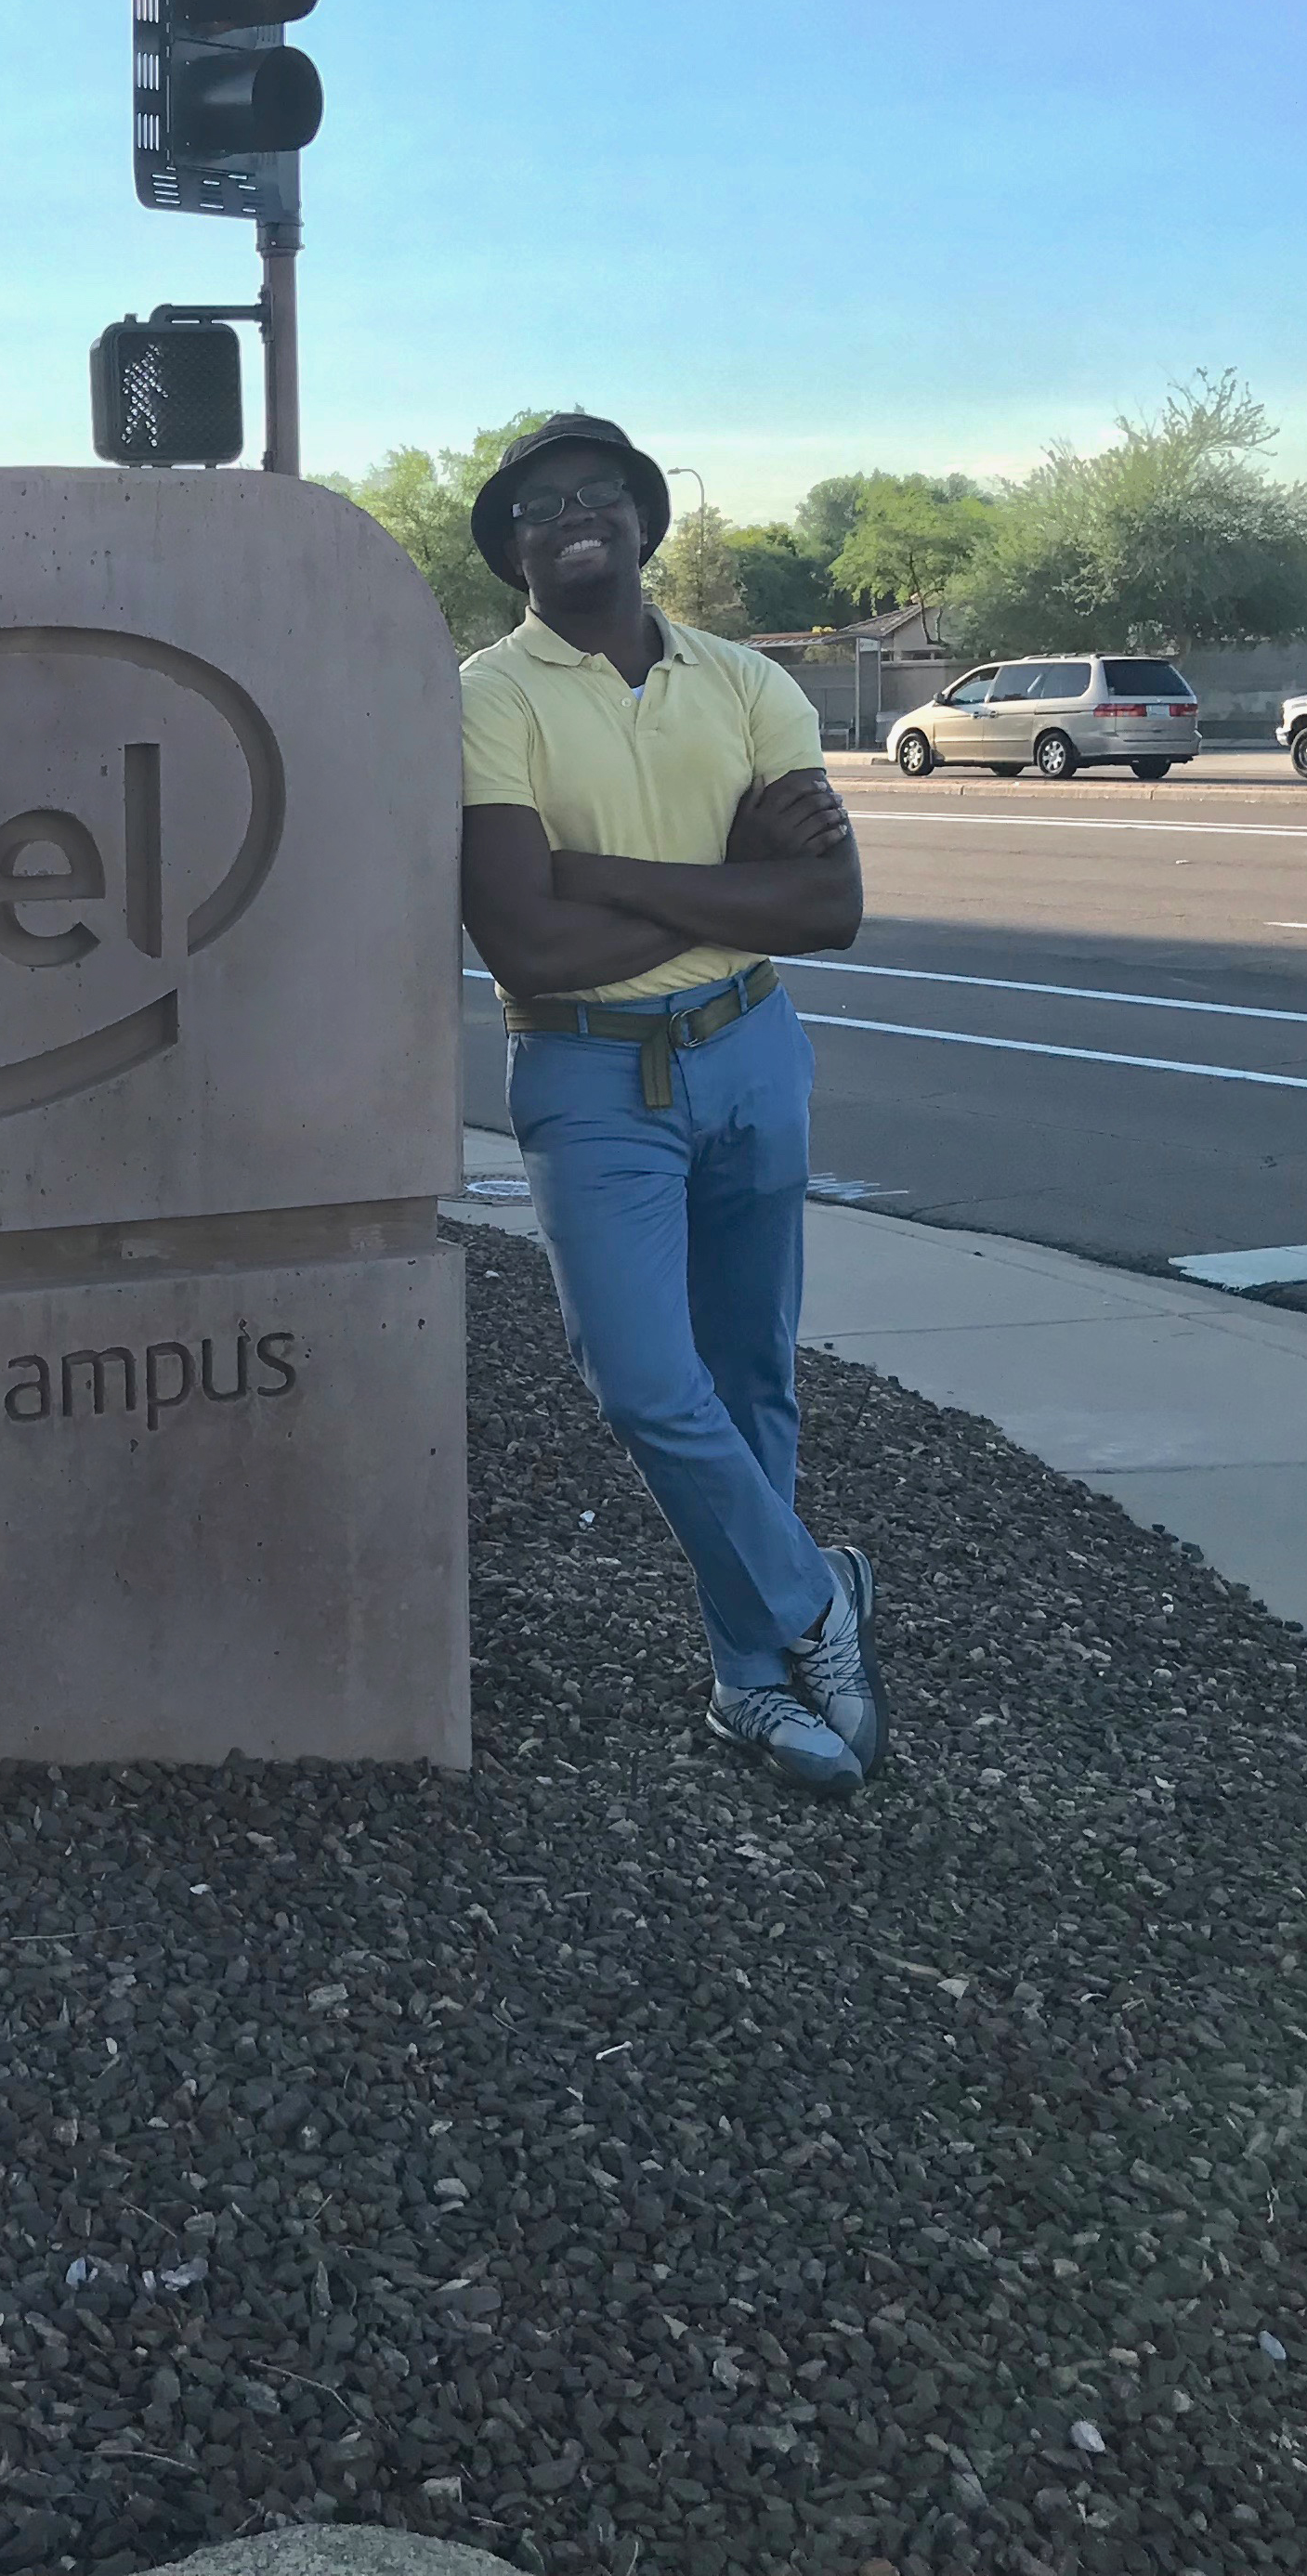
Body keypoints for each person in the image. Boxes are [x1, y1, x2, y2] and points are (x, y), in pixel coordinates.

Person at [456, 413, 886, 1797]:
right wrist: (719, 886)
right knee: (643, 1378)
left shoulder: (751, 681)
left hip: (753, 1051)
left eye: (598, 495)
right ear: (512, 546)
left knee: (753, 1370)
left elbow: (829, 905)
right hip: (586, 1074)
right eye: (539, 506)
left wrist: (607, 876)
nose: (571, 516)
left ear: (646, 520)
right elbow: (526, 946)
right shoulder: (487, 698)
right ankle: (816, 1596)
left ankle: (750, 1682)